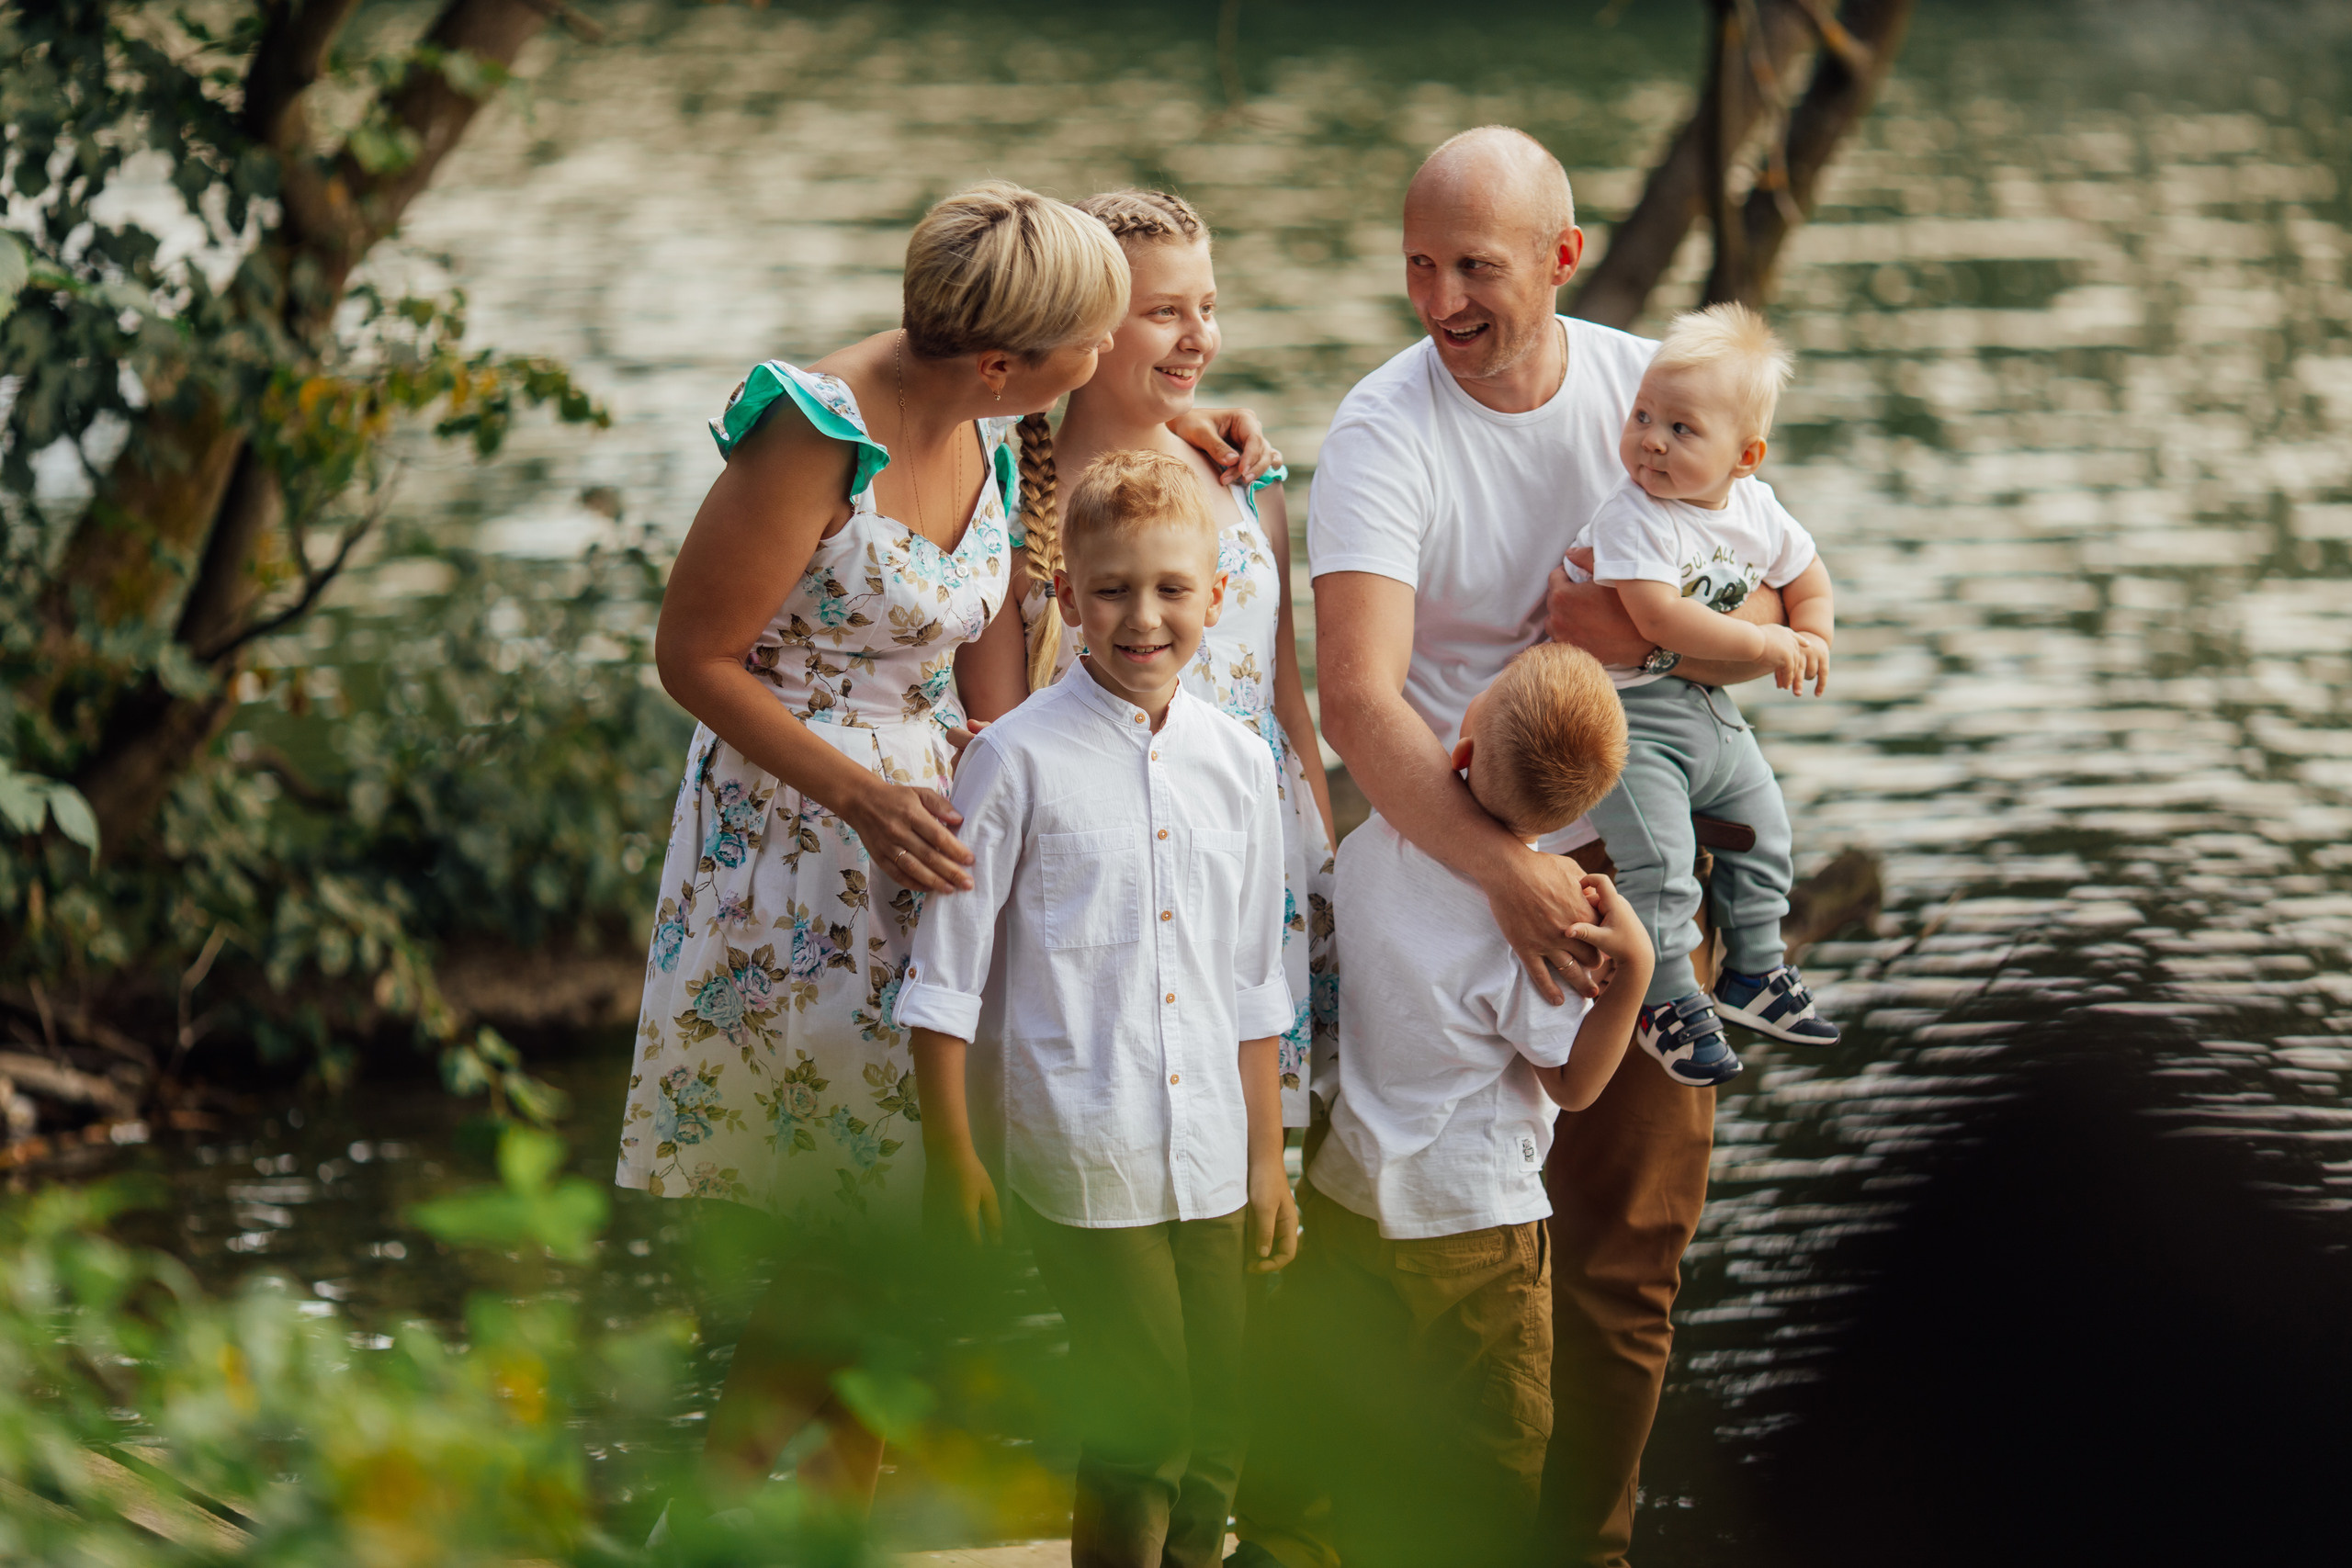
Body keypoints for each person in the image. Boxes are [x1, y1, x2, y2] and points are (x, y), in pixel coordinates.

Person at [615, 182, 1276, 1527]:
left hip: (932, 840)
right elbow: (692, 655)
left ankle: (811, 1534)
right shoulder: (816, 435)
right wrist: (863, 798)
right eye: (1088, 342)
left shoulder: (998, 432)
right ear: (997, 362)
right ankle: (709, 1527)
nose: (1103, 357)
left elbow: (992, 691)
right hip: (799, 852)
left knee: (902, 1234)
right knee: (854, 1235)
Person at [1302, 126, 1793, 1567]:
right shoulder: (1385, 429)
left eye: (1475, 266)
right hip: (1449, 887)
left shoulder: (1656, 400)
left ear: (1562, 258)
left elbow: (1774, 599)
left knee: (1626, 1256)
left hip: (1641, 876)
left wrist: (1667, 643)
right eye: (1419, 266)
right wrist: (1504, 870)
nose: (1440, 299)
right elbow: (1357, 700)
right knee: (1418, 1239)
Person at [900, 449, 1298, 1568]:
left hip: (1212, 1150)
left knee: (1220, 1424)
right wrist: (953, 1155)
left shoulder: (1239, 765)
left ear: (1215, 597)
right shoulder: (1014, 761)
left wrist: (1266, 1161)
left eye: (1172, 589)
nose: (1144, 618)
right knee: (1147, 1421)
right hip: (1083, 1144)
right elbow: (944, 976)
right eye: (1114, 590)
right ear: (1067, 598)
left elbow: (1254, 982)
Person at [1234, 643, 1653, 1568]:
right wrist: (1634, 978)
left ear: (1459, 752)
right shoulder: (1535, 929)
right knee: (1483, 1453)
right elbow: (1575, 1084)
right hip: (1477, 1229)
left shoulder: (1372, 848)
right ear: (1576, 817)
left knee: (1334, 1415)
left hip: (1348, 1200)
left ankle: (1283, 1546)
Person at [960, 186, 1337, 1126]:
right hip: (1107, 867)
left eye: (1207, 306)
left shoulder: (1245, 478)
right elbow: (996, 736)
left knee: (1251, 1141)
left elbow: (1285, 696)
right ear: (1086, 328)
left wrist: (1327, 872)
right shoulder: (1012, 506)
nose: (1198, 336)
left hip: (1254, 847)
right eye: (1165, 311)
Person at [1565, 302, 1840, 1089]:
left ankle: (1755, 969)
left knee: (1766, 828)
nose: (1651, 440)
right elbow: (1656, 618)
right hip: (1622, 715)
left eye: (1682, 429)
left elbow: (1808, 577)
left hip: (1703, 708)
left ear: (1744, 457)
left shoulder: (1758, 509)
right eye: (1643, 417)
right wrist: (1766, 642)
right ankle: (1662, 998)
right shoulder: (1635, 515)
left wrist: (1814, 634)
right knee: (1660, 861)